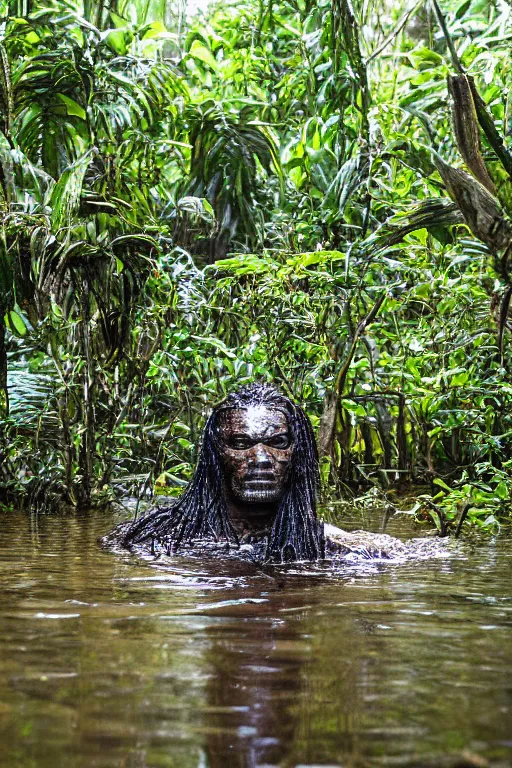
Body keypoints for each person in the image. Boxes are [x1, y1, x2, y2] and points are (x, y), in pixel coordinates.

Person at [111, 383, 434, 564]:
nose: (261, 458)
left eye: (278, 442)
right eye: (241, 443)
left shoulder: (340, 548)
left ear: (298, 454)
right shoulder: (152, 539)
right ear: (216, 454)